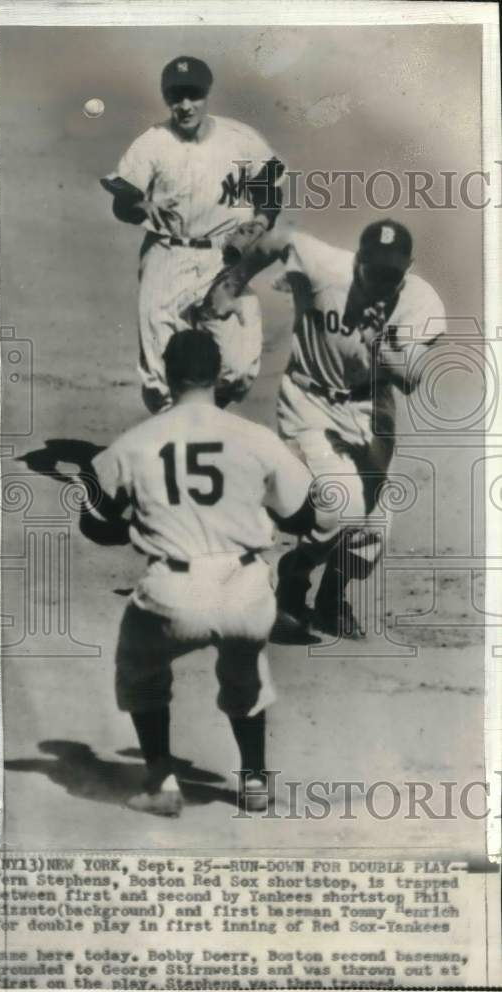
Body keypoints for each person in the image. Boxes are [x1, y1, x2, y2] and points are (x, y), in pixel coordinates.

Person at [81, 329, 334, 817]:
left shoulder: (136, 442)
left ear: (167, 376)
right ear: (219, 376)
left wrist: (138, 523)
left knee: (139, 667)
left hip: (172, 592)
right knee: (246, 669)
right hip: (243, 588)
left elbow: (95, 524)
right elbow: (304, 518)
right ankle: (255, 780)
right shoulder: (256, 438)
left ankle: (161, 782)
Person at [193, 217, 446, 638]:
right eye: (373, 270)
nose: (381, 281)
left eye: (392, 274)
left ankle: (331, 600)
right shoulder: (323, 265)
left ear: (409, 268)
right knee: (340, 504)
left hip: (370, 407)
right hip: (309, 403)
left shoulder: (418, 300)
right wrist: (232, 284)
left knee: (374, 528)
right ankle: (292, 583)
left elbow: (411, 377)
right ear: (357, 260)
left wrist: (379, 341)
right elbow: (276, 241)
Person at [101, 55, 284, 412]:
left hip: (223, 261)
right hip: (167, 258)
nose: (185, 105)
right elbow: (121, 203)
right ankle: (178, 430)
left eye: (193, 95)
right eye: (176, 96)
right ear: (166, 97)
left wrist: (261, 222)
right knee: (160, 379)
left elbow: (270, 193)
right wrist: (140, 205)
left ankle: (203, 416)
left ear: (206, 94)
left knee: (237, 369)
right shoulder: (152, 143)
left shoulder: (240, 140)